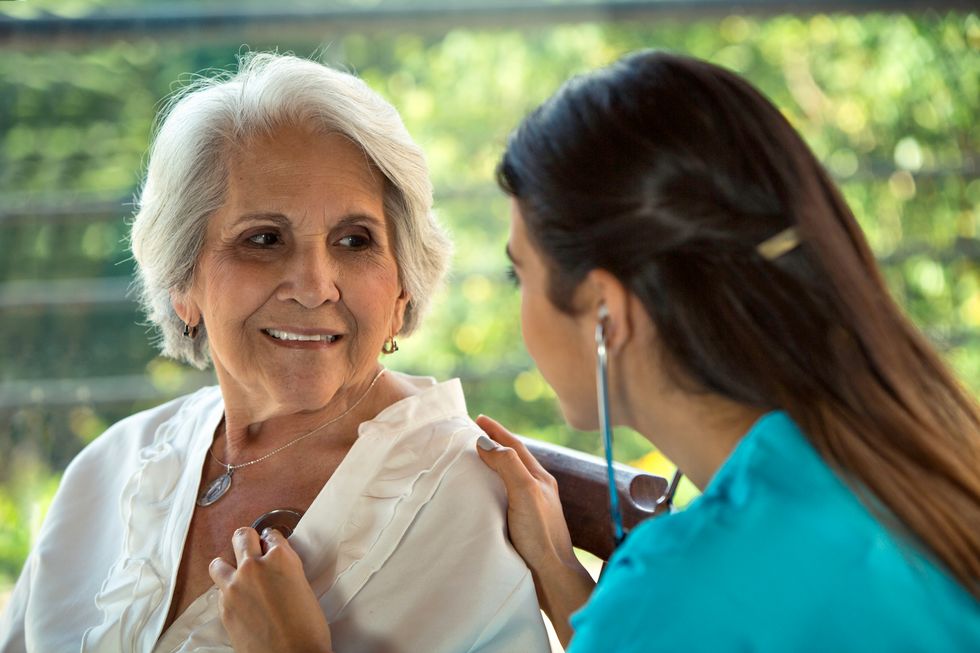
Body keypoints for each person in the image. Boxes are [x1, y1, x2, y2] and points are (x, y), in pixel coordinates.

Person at [0, 52, 549, 653]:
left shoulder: (460, 503)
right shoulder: (111, 468)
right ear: (183, 283)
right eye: (263, 239)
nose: (315, 286)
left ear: (401, 289)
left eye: (354, 240)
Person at [474, 50, 980, 652]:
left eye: (520, 275)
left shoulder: (675, 597)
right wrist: (561, 572)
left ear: (607, 310)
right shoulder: (910, 458)